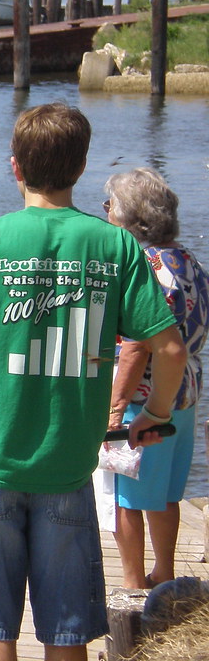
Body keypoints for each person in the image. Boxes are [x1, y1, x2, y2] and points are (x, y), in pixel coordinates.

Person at [0, 103, 187, 661]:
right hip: (66, 466)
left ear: (15, 167)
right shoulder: (115, 246)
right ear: (81, 168)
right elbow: (170, 348)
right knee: (65, 630)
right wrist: (155, 415)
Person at [104, 167, 209, 590]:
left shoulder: (142, 267)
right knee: (166, 493)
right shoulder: (191, 263)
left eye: (110, 205)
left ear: (132, 218)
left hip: (142, 403)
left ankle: (133, 584)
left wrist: (113, 409)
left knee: (124, 498)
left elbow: (134, 346)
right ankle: (164, 572)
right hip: (183, 396)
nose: (106, 212)